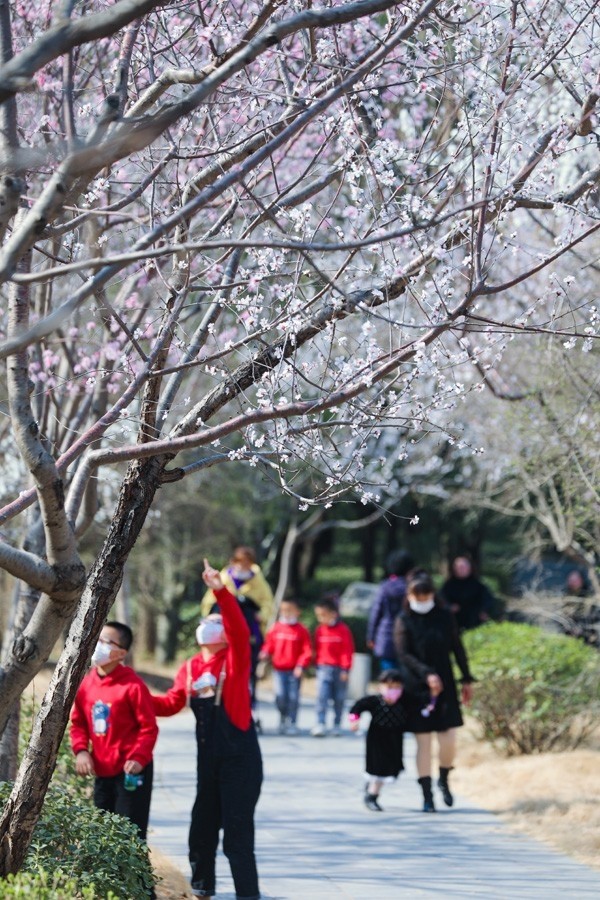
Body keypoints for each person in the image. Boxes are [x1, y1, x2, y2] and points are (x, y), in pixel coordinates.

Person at [152, 559, 262, 900]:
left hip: (240, 760)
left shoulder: (235, 658)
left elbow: (240, 628)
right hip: (208, 761)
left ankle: (248, 894)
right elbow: (171, 703)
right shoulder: (190, 667)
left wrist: (219, 590)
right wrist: (134, 695)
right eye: (207, 619)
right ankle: (202, 889)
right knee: (201, 831)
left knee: (236, 837)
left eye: (215, 620)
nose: (209, 623)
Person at [70, 621, 158, 841]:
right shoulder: (87, 684)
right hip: (102, 771)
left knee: (129, 836)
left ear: (120, 653)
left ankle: (135, 876)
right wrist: (81, 751)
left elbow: (149, 728)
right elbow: (78, 722)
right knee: (101, 835)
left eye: (106, 641)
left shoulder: (133, 686)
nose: (99, 645)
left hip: (131, 771)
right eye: (98, 639)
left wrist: (138, 757)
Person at [393, 573, 474, 813]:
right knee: (424, 742)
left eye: (426, 595)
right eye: (417, 596)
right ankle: (426, 795)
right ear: (409, 596)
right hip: (416, 685)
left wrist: (466, 677)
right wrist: (426, 674)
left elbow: (457, 647)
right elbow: (403, 654)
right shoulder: (404, 620)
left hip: (445, 682)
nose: (422, 600)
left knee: (448, 738)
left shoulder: (444, 616)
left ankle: (444, 778)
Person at [201, 546, 274, 723]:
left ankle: (249, 706)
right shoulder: (223, 578)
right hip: (225, 633)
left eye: (247, 563)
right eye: (240, 562)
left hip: (249, 632)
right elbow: (209, 602)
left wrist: (260, 615)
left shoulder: (258, 581)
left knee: (247, 670)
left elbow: (267, 604)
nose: (243, 566)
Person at [348, 669, 426, 812]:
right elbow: (357, 707)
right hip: (376, 741)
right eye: (389, 687)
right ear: (380, 687)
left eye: (397, 687)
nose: (393, 691)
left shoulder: (405, 701)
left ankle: (372, 787)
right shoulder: (375, 701)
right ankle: (372, 796)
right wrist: (354, 720)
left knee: (390, 768)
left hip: (395, 741)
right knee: (378, 768)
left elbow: (421, 703)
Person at [259, 598, 313, 734]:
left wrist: (301, 665)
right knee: (280, 696)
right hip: (279, 670)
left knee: (294, 697)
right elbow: (269, 644)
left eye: (289, 610)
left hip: (294, 670)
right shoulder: (276, 628)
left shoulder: (301, 630)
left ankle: (292, 722)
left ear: (297, 612)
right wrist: (265, 652)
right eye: (283, 610)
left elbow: (306, 651)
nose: (286, 613)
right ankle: (283, 718)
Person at [311, 597, 354, 737]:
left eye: (323, 615)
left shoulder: (343, 630)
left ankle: (337, 723)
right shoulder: (319, 630)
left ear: (333, 613)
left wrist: (345, 668)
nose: (320, 618)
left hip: (339, 670)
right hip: (323, 668)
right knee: (321, 697)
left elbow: (347, 650)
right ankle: (320, 723)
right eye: (318, 616)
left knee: (339, 698)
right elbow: (315, 649)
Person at [367, 549, 414, 670]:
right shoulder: (412, 588)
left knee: (389, 679)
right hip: (408, 636)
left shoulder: (384, 587)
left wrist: (371, 637)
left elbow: (375, 614)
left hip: (386, 637)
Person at [439, 555, 494, 631]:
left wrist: (484, 611)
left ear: (470, 568)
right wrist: (449, 607)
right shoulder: (448, 586)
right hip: (454, 622)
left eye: (464, 567)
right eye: (459, 568)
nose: (461, 570)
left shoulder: (478, 585)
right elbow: (441, 600)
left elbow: (488, 600)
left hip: (474, 621)